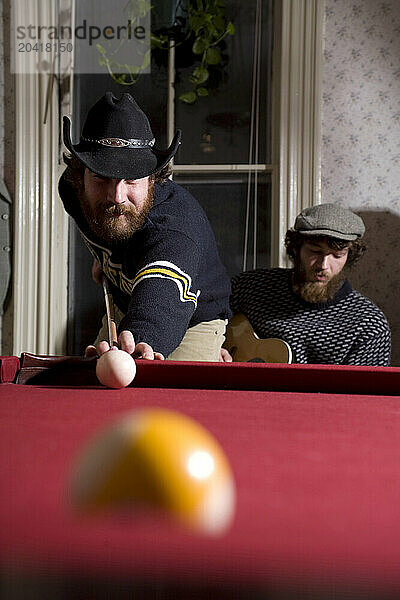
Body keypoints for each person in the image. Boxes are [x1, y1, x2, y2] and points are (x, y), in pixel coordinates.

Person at [59, 92, 231, 361]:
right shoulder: (72, 192)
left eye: (132, 180)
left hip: (190, 322)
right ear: (79, 176)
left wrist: (139, 340)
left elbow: (162, 298)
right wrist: (105, 260)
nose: (116, 196)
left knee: (170, 400)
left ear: (153, 179)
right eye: (101, 177)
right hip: (123, 304)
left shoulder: (175, 231)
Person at [228, 203, 391, 366]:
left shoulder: (369, 325)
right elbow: (206, 314)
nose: (323, 265)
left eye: (337, 255)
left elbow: (362, 391)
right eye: (315, 251)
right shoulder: (251, 286)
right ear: (296, 248)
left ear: (350, 256)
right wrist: (213, 350)